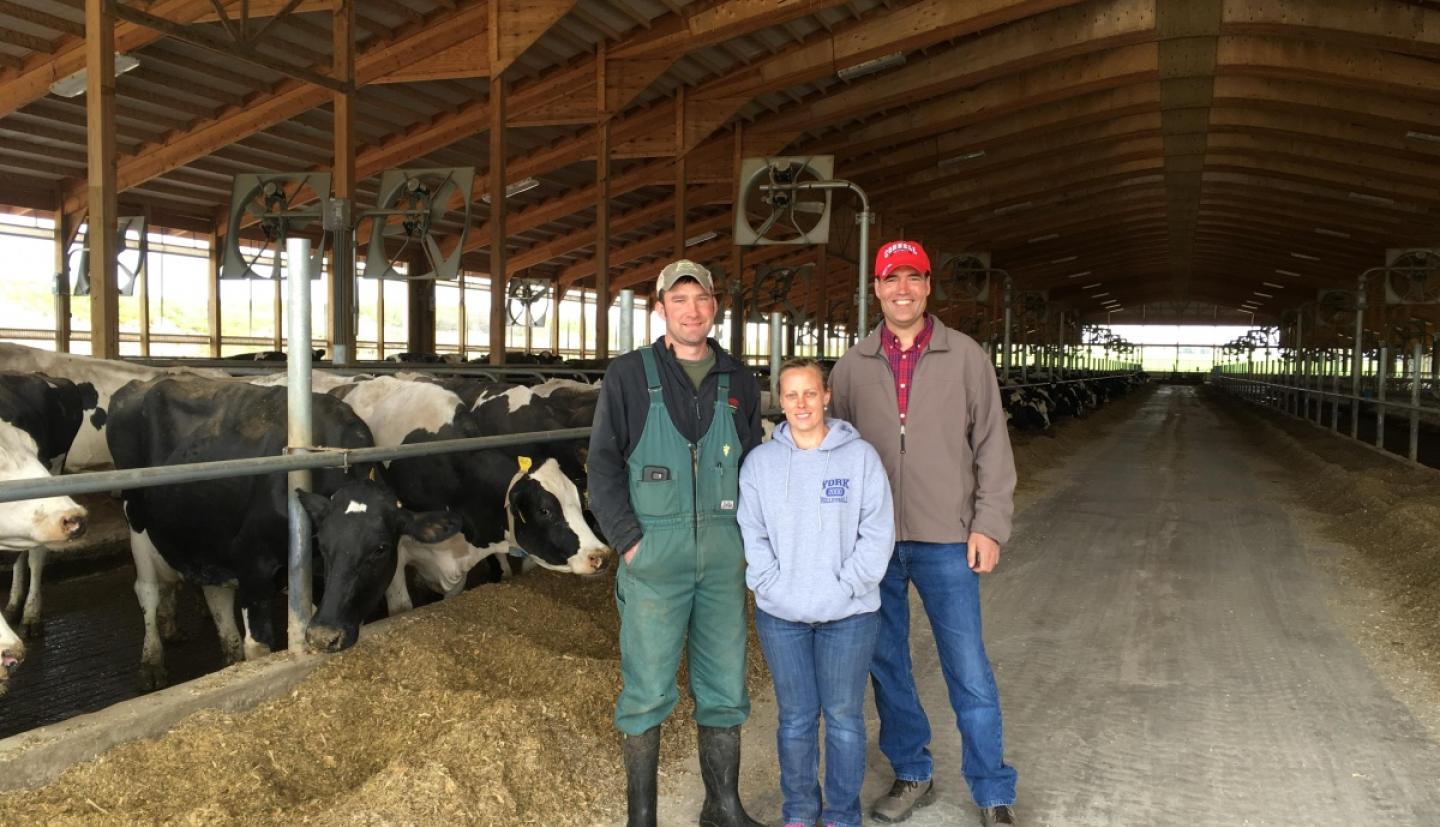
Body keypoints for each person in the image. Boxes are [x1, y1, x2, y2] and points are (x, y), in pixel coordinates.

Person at [829, 240, 1021, 826]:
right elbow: (831, 455)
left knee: (967, 665)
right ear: (878, 290)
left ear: (929, 285)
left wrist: (989, 524)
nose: (902, 289)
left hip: (948, 539)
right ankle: (912, 770)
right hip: (876, 545)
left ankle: (992, 792)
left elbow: (992, 445)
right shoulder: (851, 366)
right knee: (887, 664)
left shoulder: (965, 357)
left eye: (913, 278)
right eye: (892, 280)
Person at [587, 259, 765, 827]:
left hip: (721, 557)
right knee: (646, 691)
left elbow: (756, 465)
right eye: (679, 299)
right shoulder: (628, 375)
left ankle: (723, 806)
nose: (693, 310)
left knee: (725, 685)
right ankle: (643, 819)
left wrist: (751, 544)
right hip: (653, 557)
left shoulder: (738, 379)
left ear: (715, 306)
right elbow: (602, 464)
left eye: (702, 299)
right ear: (659, 308)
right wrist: (628, 540)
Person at [738, 358, 895, 827]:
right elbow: (752, 529)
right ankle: (801, 812)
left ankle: (842, 814)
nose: (801, 403)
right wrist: (768, 583)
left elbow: (877, 529)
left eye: (810, 393)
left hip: (848, 615)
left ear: (827, 396)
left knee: (845, 717)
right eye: (791, 395)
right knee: (796, 719)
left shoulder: (860, 457)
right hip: (781, 616)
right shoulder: (761, 463)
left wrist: (849, 585)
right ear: (779, 401)